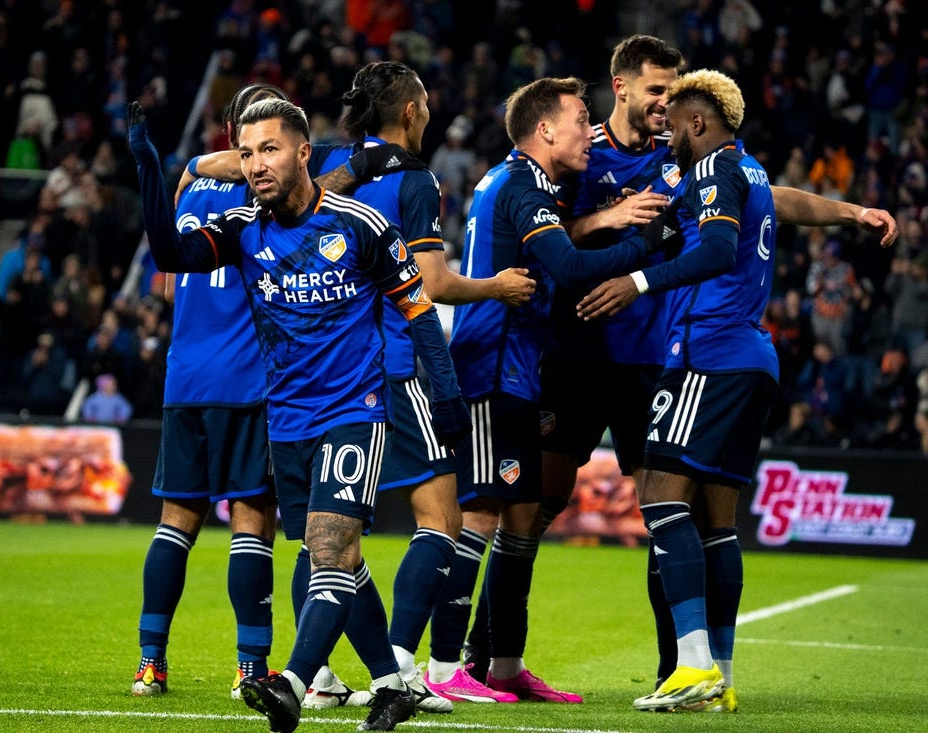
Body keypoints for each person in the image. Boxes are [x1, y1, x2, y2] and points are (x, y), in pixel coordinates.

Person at [128, 97, 471, 733]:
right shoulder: (241, 227)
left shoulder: (361, 224)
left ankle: (290, 680)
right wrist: (151, 172)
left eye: (271, 150)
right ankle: (395, 685)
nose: (257, 164)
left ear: (303, 152)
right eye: (249, 152)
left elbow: (418, 310)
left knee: (327, 545)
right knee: (342, 561)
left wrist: (446, 398)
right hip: (284, 417)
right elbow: (172, 257)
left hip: (355, 410)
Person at [575, 67, 896, 713]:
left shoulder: (712, 171)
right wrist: (852, 211)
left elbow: (719, 252)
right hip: (751, 357)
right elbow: (786, 200)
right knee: (716, 522)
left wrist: (638, 284)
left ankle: (691, 664)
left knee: (662, 497)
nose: (665, 130)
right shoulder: (743, 171)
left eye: (674, 121)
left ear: (699, 121)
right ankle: (719, 672)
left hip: (707, 354)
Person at [302, 60, 536, 711]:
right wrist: (497, 285)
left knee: (328, 524)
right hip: (392, 361)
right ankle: (400, 665)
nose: (430, 111)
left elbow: (244, 171)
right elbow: (430, 283)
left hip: (322, 361)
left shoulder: (329, 164)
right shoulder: (413, 180)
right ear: (410, 111)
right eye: (425, 101)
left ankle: (317, 672)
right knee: (441, 517)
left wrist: (194, 169)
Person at [428, 76, 668, 706]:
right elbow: (568, 268)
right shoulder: (525, 186)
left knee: (517, 515)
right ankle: (441, 665)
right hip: (491, 367)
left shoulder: (521, 184)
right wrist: (647, 243)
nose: (590, 131)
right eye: (578, 118)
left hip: (516, 369)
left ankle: (503, 665)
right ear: (544, 130)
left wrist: (602, 218)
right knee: (478, 516)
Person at [130, 83, 287, 703]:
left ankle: (151, 663)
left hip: (185, 378)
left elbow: (166, 284)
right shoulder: (269, 193)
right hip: (247, 379)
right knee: (252, 525)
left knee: (175, 525)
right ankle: (250, 668)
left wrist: (192, 164)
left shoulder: (192, 188)